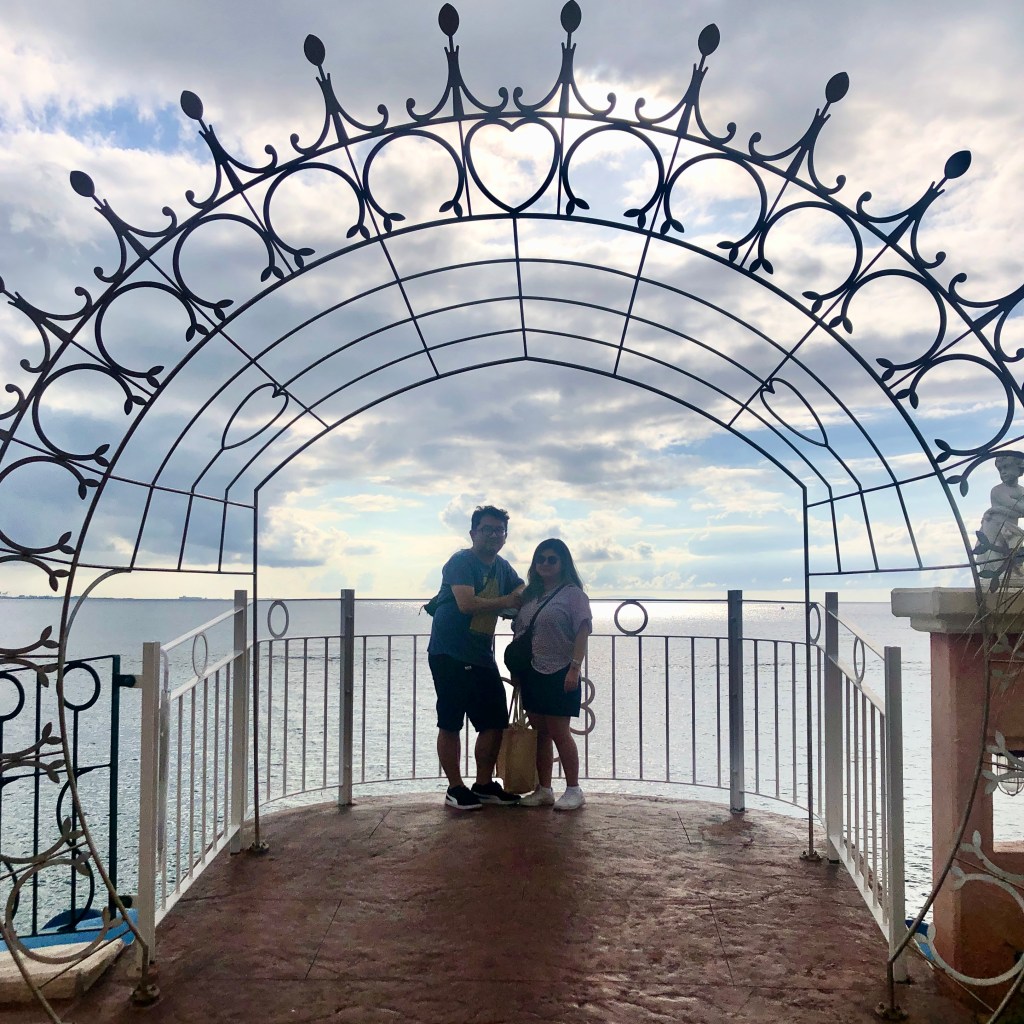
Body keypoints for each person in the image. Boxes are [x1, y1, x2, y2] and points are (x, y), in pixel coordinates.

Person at [427, 505, 525, 810]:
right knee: (451, 721)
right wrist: (507, 602)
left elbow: (521, 586)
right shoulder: (461, 561)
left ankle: (483, 784)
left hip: (481, 655)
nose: (494, 535)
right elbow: (466, 603)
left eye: (499, 530)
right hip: (449, 652)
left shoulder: (502, 566)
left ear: (505, 536)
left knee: (494, 721)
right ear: (473, 533)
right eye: (487, 529)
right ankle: (455, 788)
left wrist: (516, 595)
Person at [513, 538, 592, 811]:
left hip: (560, 670)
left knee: (560, 732)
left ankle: (574, 788)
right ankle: (544, 788)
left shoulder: (573, 595)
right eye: (540, 559)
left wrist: (575, 667)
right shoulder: (531, 596)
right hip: (531, 671)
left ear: (563, 563)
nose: (545, 564)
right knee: (540, 732)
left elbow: (583, 629)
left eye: (552, 559)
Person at [977, 453, 1024, 578]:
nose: (1003, 472)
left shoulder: (1021, 491)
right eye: (1000, 469)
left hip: (1010, 528)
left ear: (1019, 466)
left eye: (1006, 467)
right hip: (993, 525)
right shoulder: (997, 490)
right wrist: (1001, 510)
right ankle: (998, 575)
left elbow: (1021, 510)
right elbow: (1015, 507)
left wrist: (996, 509)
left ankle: (1010, 574)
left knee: (1011, 552)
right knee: (993, 549)